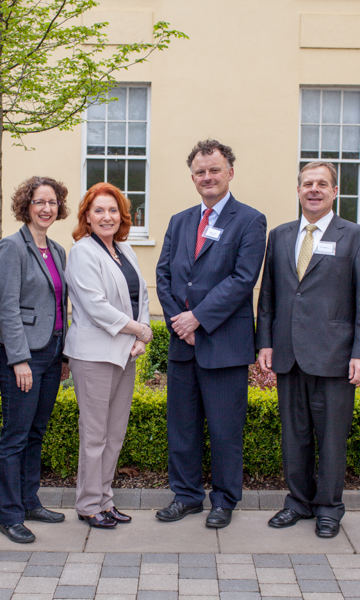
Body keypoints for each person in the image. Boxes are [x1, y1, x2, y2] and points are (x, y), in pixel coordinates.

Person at [256, 162, 360, 538]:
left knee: (330, 437)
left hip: (335, 357)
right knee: (294, 434)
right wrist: (265, 341)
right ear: (298, 190)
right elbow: (268, 296)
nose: (314, 189)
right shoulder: (280, 236)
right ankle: (297, 502)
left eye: (322, 184)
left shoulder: (357, 237)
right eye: (307, 183)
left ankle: (329, 508)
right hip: (289, 354)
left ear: (334, 191)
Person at [155, 139, 267, 529]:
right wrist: (179, 321)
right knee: (182, 429)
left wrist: (198, 318)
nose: (207, 177)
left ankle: (224, 500)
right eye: (200, 172)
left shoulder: (251, 220)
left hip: (224, 345)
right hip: (183, 345)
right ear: (192, 178)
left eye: (214, 170)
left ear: (230, 173)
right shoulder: (180, 221)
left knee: (224, 431)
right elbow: (164, 275)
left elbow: (242, 279)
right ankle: (186, 496)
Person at [63, 182, 153, 528]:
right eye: (98, 210)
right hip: (94, 356)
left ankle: (105, 499)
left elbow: (141, 297)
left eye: (113, 210)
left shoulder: (125, 251)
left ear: (122, 216)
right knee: (95, 434)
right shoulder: (83, 252)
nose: (107, 216)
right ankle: (88, 504)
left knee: (115, 433)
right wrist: (138, 329)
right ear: (86, 216)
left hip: (124, 354)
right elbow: (96, 307)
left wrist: (142, 334)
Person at [0, 176, 70, 544]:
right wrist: (18, 360)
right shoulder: (11, 247)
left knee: (36, 433)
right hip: (23, 358)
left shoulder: (56, 250)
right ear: (26, 206)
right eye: (39, 202)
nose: (46, 208)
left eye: (52, 202)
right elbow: (6, 307)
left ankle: (29, 501)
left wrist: (64, 351)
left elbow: (59, 305)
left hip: (52, 354)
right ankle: (8, 516)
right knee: (15, 437)